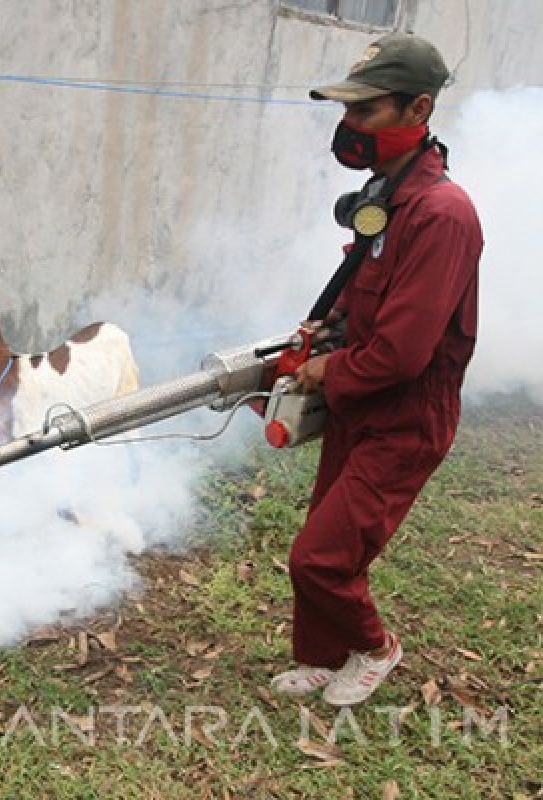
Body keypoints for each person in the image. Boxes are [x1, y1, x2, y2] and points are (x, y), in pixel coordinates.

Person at [270, 33, 483, 706]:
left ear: (418, 108)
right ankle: (320, 656)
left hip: (406, 415)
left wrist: (326, 369)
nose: (350, 126)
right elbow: (371, 302)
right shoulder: (389, 192)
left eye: (366, 112)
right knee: (326, 534)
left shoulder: (443, 214)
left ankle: (375, 647)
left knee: (320, 556)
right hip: (363, 401)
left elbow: (403, 352)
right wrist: (326, 334)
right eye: (348, 110)